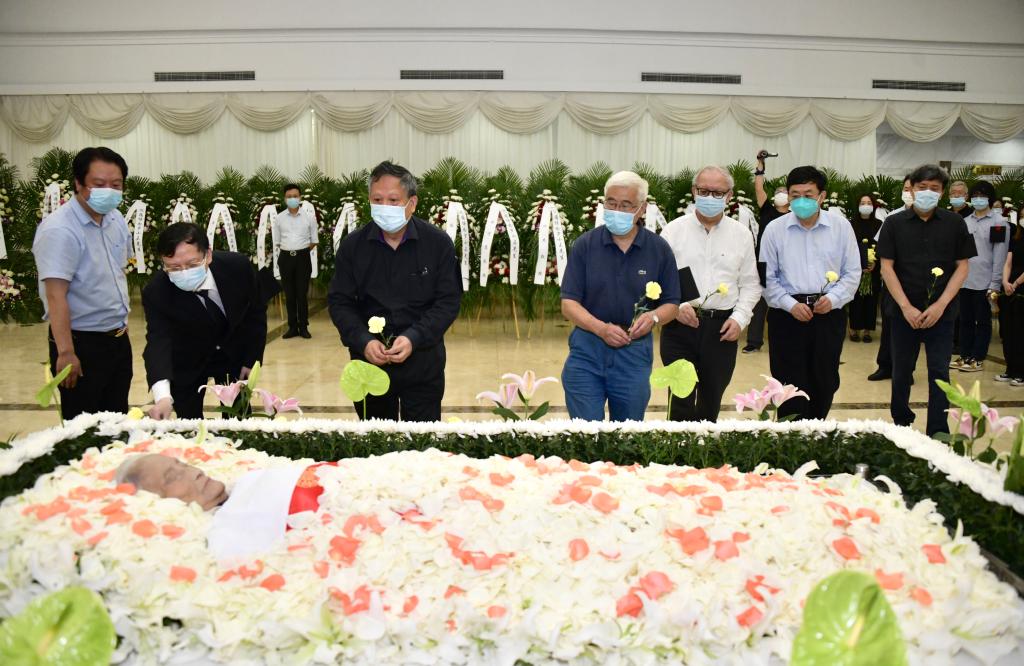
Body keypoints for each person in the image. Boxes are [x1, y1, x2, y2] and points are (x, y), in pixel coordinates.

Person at [328, 161, 461, 421]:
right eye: (377, 200)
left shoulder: (437, 244)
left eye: (393, 200)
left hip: (423, 362)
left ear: (412, 203)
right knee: (377, 440)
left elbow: (448, 301)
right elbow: (339, 302)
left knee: (421, 441)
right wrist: (364, 341)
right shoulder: (353, 247)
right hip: (369, 365)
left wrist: (414, 337)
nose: (384, 207)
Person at [560, 171, 680, 421]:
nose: (617, 210)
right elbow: (569, 303)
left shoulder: (658, 249)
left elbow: (672, 303)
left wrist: (654, 318)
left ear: (642, 208)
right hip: (587, 350)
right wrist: (601, 329)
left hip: (633, 352)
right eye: (611, 203)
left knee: (627, 433)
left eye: (626, 205)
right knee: (585, 432)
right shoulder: (585, 245)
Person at [32, 147, 132, 419]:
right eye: (99, 184)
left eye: (116, 185)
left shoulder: (116, 219)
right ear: (78, 183)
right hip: (81, 343)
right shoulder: (60, 230)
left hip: (117, 338)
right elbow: (55, 296)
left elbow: (117, 271)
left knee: (117, 422)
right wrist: (66, 352)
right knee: (83, 427)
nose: (108, 191)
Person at [877, 164, 976, 437]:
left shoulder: (955, 223)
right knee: (901, 371)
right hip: (902, 312)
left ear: (942, 193)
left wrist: (940, 305)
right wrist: (906, 307)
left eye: (934, 188)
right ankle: (901, 424)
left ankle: (938, 431)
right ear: (911, 189)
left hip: (941, 313)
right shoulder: (894, 223)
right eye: (922, 187)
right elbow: (886, 267)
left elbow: (962, 267)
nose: (928, 192)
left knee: (939, 373)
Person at [758, 166, 860, 420]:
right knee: (788, 383)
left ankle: (817, 430)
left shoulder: (840, 227)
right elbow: (766, 277)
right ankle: (791, 436)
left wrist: (833, 299)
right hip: (786, 316)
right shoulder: (774, 229)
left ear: (821, 196)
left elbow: (852, 272)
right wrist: (790, 305)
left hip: (828, 314)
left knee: (824, 379)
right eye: (795, 195)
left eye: (808, 195)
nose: (801, 201)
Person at [660, 166, 761, 422]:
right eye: (704, 191)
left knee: (711, 399)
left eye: (717, 193)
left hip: (721, 329)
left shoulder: (741, 234)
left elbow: (751, 284)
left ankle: (705, 446)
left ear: (729, 196)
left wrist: (739, 319)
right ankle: (677, 446)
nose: (710, 197)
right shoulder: (673, 230)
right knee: (679, 400)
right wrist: (676, 306)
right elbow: (659, 279)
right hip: (679, 326)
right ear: (694, 191)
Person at [142, 223, 269, 419]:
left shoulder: (237, 267)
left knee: (239, 419)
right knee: (190, 425)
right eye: (174, 267)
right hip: (187, 360)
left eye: (192, 264)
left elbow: (255, 312)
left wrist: (251, 359)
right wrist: (163, 397)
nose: (184, 272)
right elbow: (158, 340)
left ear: (208, 255)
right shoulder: (156, 291)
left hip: (231, 353)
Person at [951, 181, 1008, 374]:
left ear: (990, 198)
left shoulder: (999, 223)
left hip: (985, 281)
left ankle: (978, 357)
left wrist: (995, 284)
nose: (978, 199)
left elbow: (999, 256)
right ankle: (965, 354)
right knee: (965, 320)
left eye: (982, 195)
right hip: (965, 280)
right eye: (974, 195)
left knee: (983, 322)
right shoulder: (966, 221)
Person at [868, 175, 913, 381]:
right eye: (906, 188)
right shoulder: (892, 217)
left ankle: (906, 371)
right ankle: (885, 366)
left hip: (916, 283)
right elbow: (881, 248)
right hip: (892, 280)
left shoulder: (934, 220)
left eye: (913, 188)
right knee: (889, 327)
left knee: (911, 331)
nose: (909, 193)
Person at [746, 151, 790, 354]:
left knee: (784, 302)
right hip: (763, 262)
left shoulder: (795, 215)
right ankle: (754, 341)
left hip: (787, 264)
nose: (781, 193)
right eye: (778, 191)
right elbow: (759, 187)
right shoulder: (767, 209)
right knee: (760, 302)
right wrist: (760, 165)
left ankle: (784, 340)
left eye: (784, 191)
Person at [273, 183, 318, 339]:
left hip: (302, 258)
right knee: (289, 294)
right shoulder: (279, 218)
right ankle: (292, 327)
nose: (292, 199)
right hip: (285, 258)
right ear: (284, 198)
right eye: (289, 196)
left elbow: (314, 240)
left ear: (300, 197)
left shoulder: (309, 217)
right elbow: (277, 241)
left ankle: (303, 326)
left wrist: (300, 251)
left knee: (301, 294)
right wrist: (290, 250)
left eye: (295, 196)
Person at [848, 194, 882, 343]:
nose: (866, 205)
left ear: (873, 206)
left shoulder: (879, 224)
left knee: (871, 299)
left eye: (869, 203)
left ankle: (867, 330)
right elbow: (848, 245)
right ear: (858, 205)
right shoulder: (851, 224)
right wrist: (859, 263)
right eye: (863, 202)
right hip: (855, 268)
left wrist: (874, 262)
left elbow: (882, 245)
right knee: (856, 299)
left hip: (873, 267)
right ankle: (854, 328)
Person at [998, 225, 1024, 386]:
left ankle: (1021, 372)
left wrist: (1015, 283)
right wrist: (1005, 281)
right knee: (1008, 330)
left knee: (1020, 331)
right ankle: (1010, 368)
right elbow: (1008, 262)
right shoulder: (1016, 239)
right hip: (1008, 289)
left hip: (1020, 288)